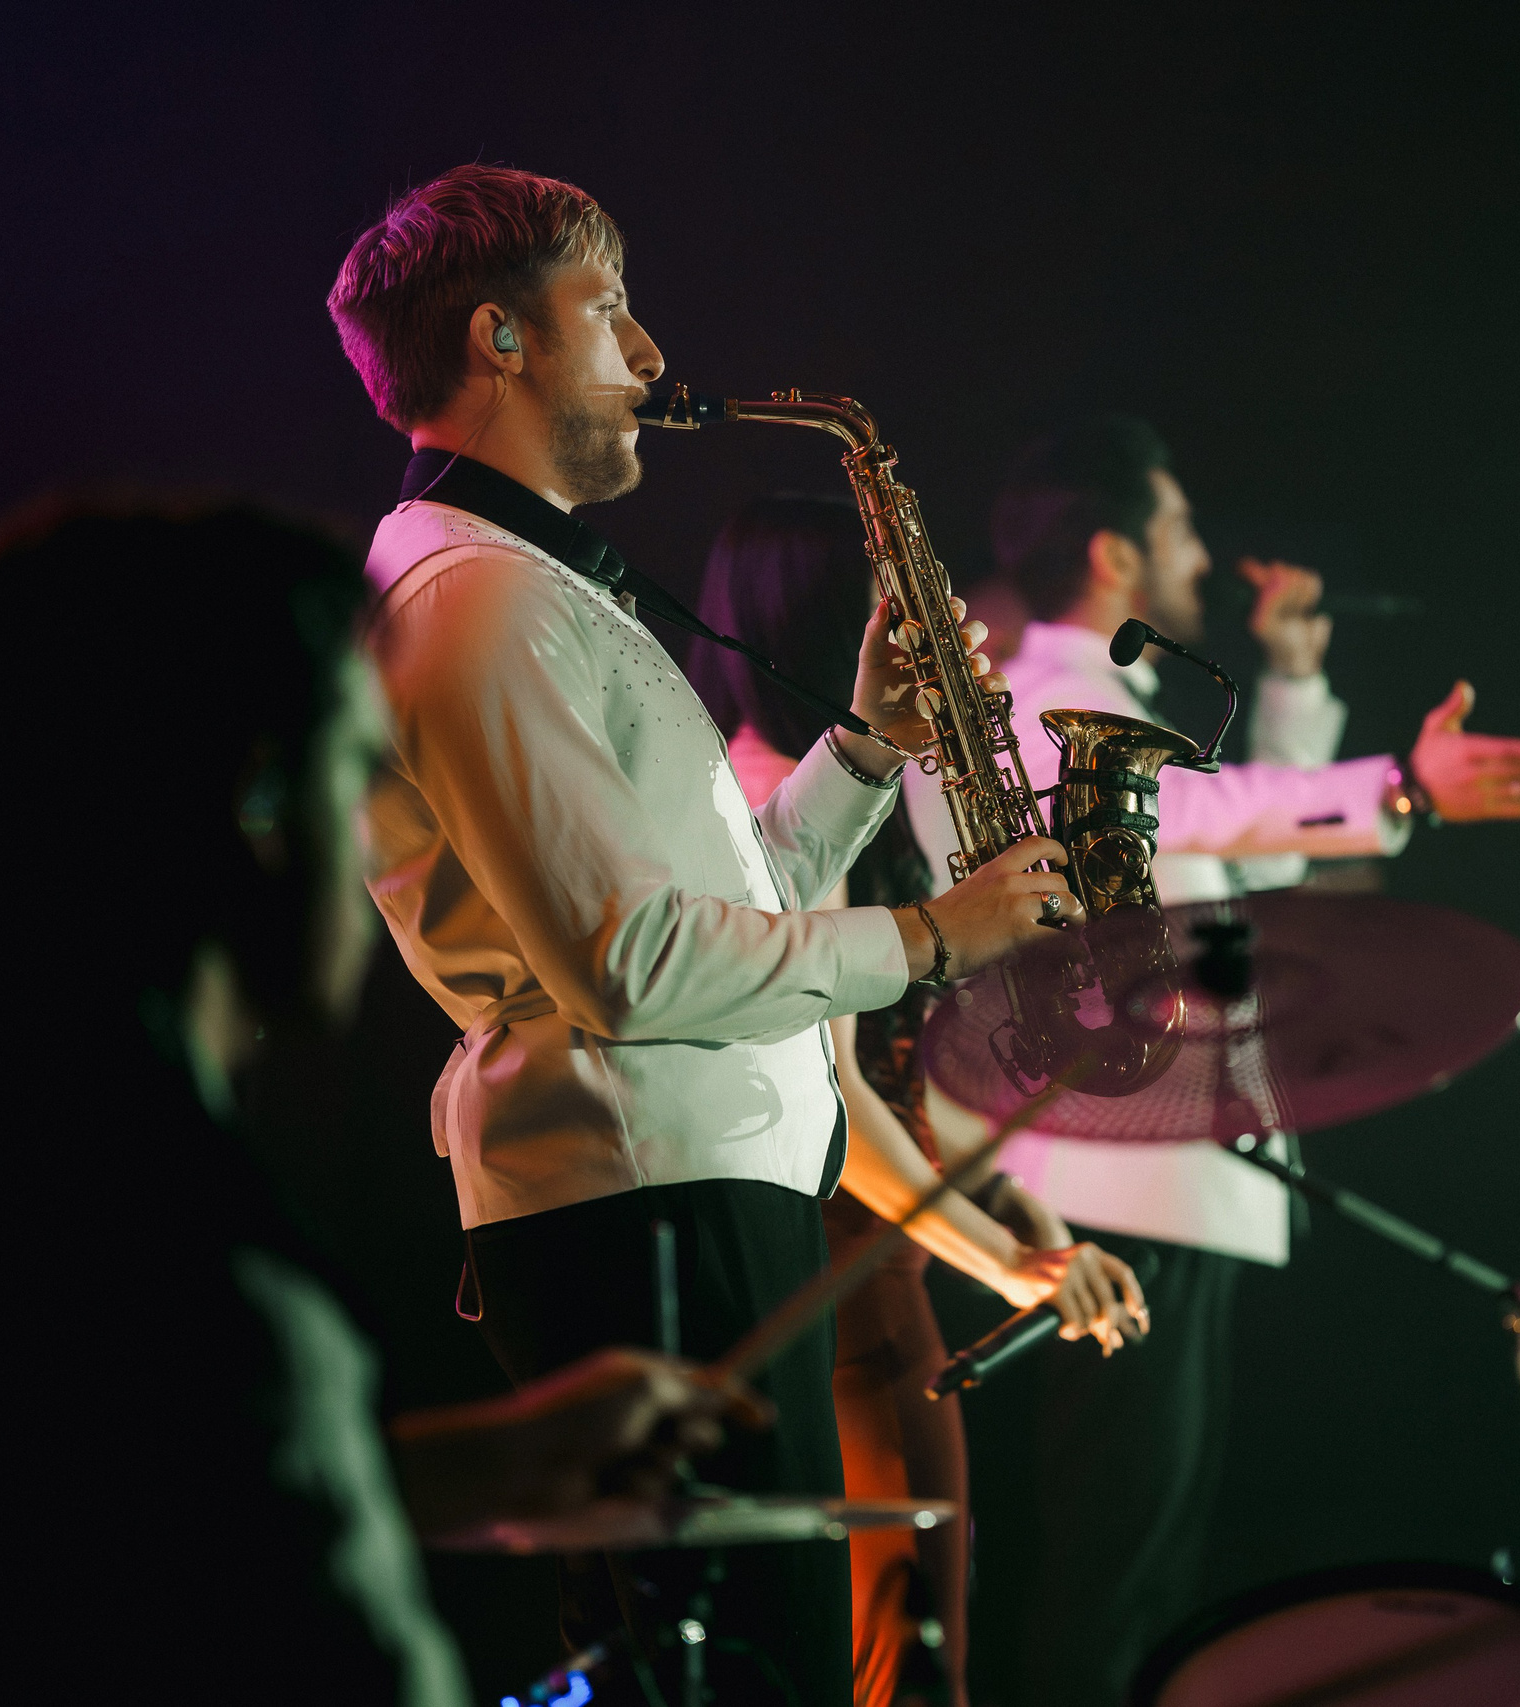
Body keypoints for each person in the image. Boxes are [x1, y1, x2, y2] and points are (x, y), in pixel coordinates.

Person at [324, 166, 1086, 1705]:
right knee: (742, 1676)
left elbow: (697, 916)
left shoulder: (524, 587)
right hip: (642, 1199)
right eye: (608, 307)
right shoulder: (477, 601)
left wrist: (864, 754)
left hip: (684, 1181)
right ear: (501, 338)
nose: (654, 353)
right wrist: (935, 938)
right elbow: (637, 973)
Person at [0, 498, 764, 1704]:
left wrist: (497, 1464)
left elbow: (169, 1505)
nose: (379, 833)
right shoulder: (167, 1235)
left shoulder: (0, 1135)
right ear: (259, 804)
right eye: (360, 769)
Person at [906, 416, 1520, 1706]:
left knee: (1138, 1573)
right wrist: (1404, 783)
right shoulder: (1043, 699)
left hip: (1161, 1185)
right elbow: (1209, 813)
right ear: (1112, 552)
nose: (1200, 553)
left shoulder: (1113, 703)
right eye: (1175, 527)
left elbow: (1258, 879)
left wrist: (1288, 682)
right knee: (1102, 1581)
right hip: (1108, 1193)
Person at [691, 494, 1151, 1706]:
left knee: (913, 1635)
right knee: (910, 1655)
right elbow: (839, 1106)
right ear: (836, 620)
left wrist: (1024, 1221)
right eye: (905, 611)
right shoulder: (770, 795)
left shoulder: (832, 781)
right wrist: (1010, 1265)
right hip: (848, 1264)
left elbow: (893, 1073)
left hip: (878, 1262)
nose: (948, 644)